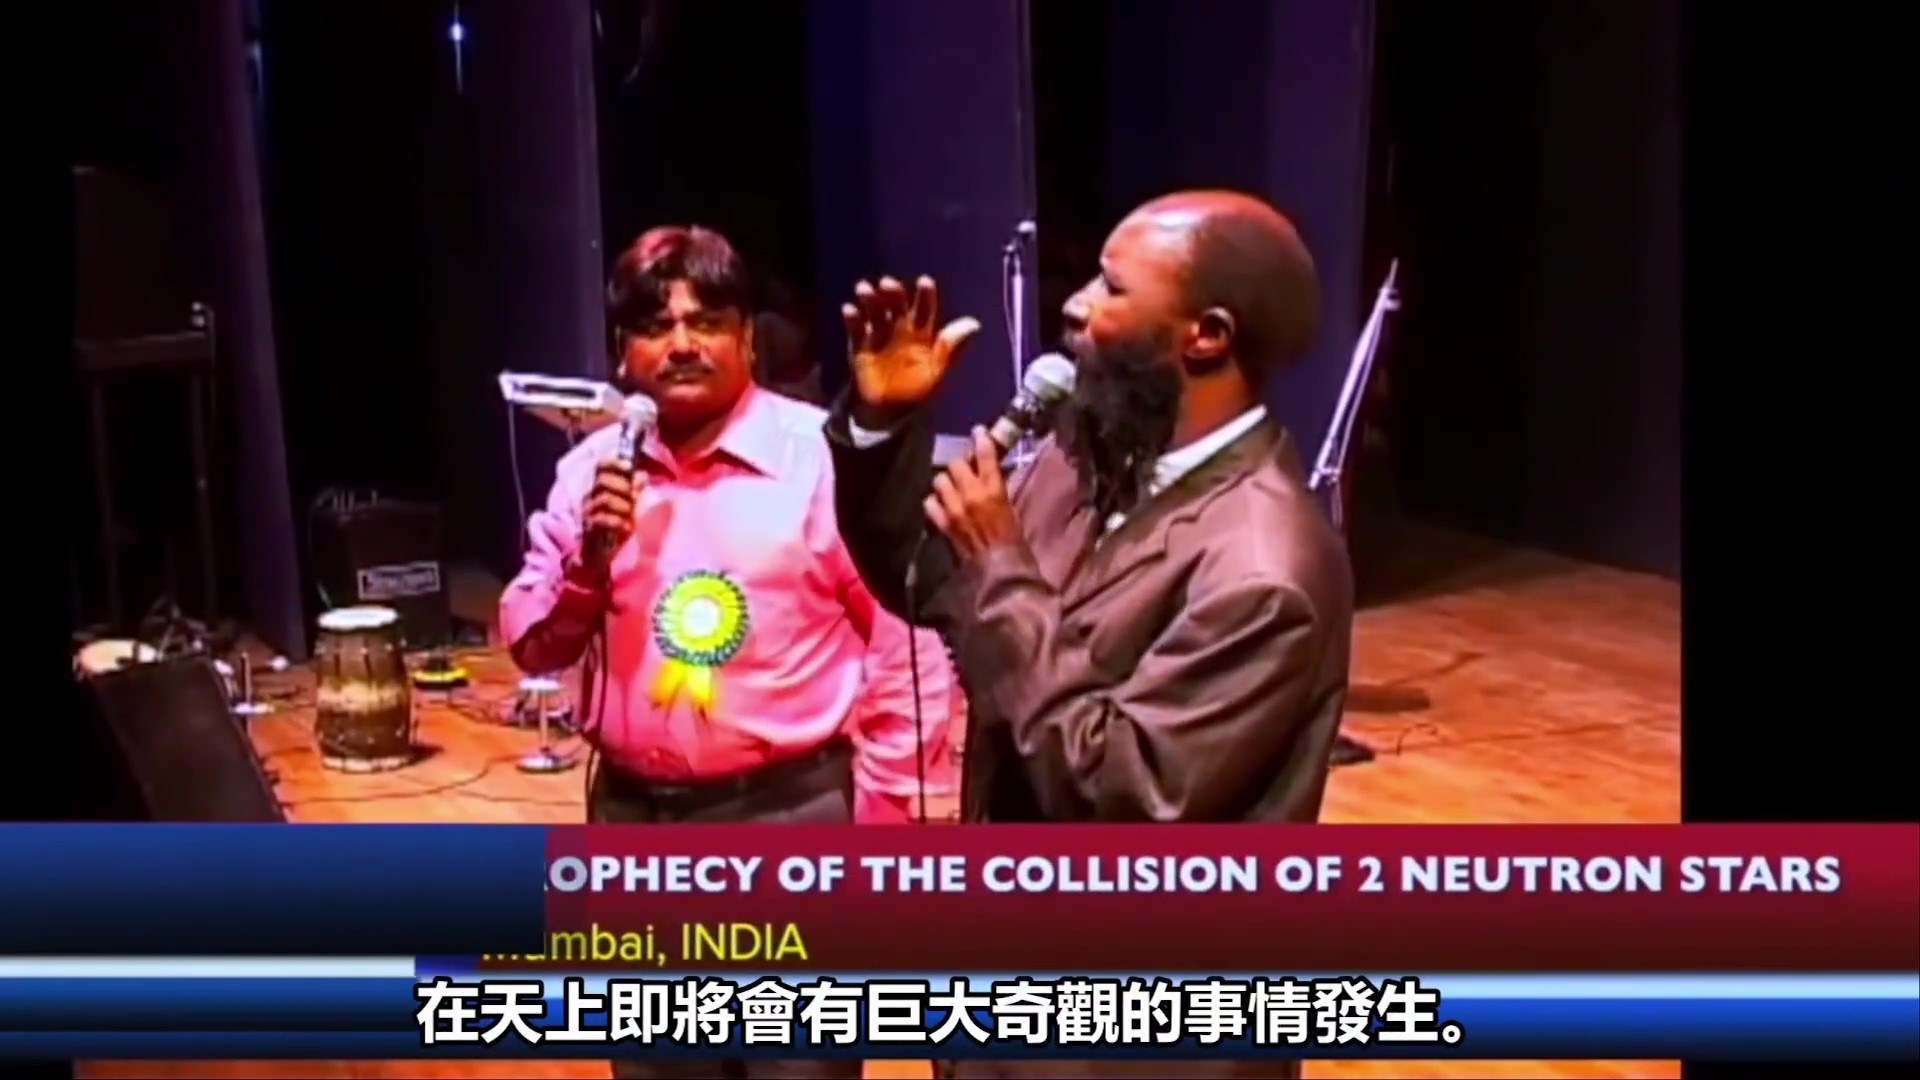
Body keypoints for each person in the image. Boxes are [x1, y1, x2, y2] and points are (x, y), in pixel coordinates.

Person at [825, 191, 1353, 1078]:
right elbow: (933, 578)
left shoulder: (1266, 570)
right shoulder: (1091, 452)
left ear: (1206, 335)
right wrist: (883, 427)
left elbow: (1123, 797)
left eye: (1111, 287)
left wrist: (1001, 566)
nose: (1074, 303)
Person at [500, 225, 959, 1078]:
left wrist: (886, 841)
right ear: (622, 352)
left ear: (748, 338)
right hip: (632, 827)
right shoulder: (591, 474)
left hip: (791, 822)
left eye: (706, 321)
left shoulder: (821, 461)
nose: (681, 343)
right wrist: (588, 566)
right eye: (654, 325)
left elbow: (907, 653)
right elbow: (531, 644)